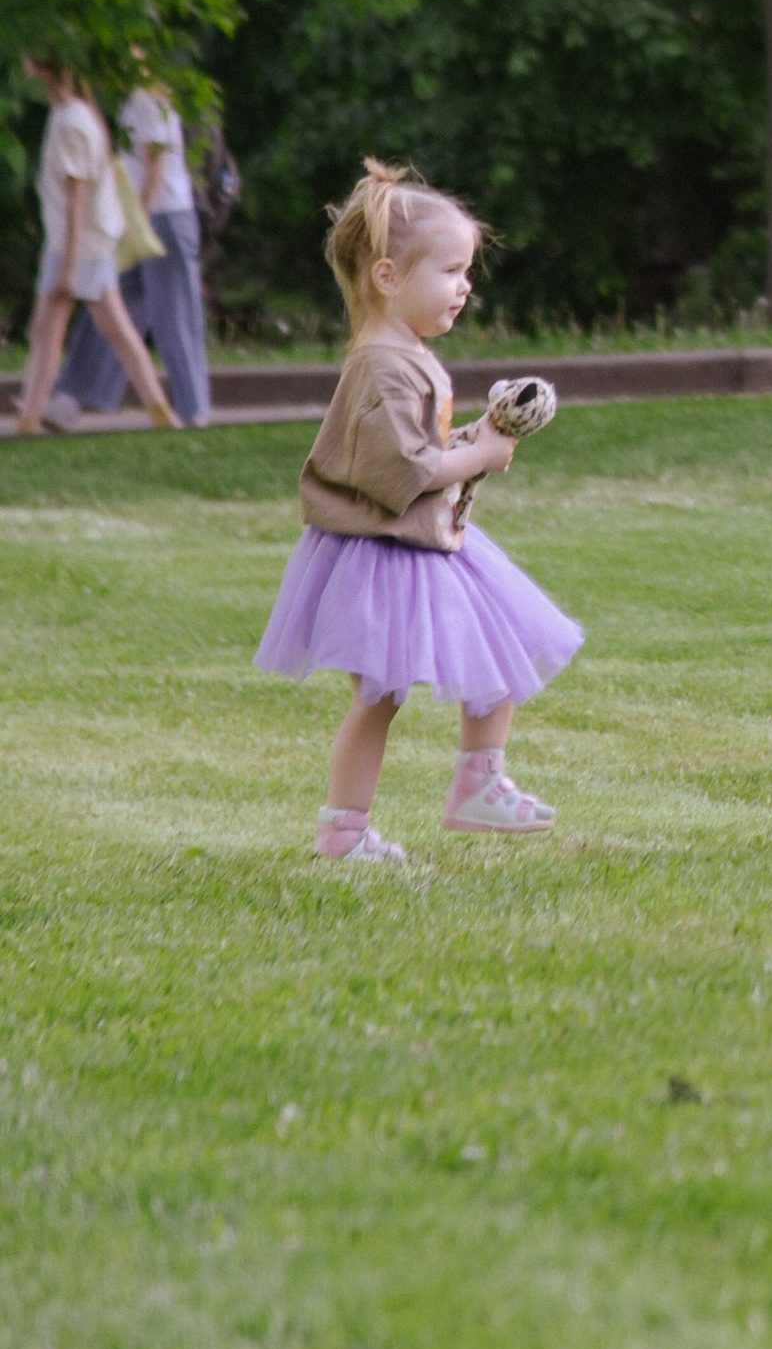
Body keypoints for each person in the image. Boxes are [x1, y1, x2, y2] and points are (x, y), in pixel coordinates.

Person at [253, 160, 582, 862]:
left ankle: (476, 785)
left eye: (467, 271)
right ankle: (347, 831)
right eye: (451, 270)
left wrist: (468, 439)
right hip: (383, 551)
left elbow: (415, 451)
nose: (464, 286)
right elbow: (402, 472)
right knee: (380, 695)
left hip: (420, 538)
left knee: (502, 640)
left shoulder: (405, 354)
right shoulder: (381, 364)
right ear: (387, 276)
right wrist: (480, 455)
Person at [12, 55, 176, 435]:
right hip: (87, 242)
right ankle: (157, 407)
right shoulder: (78, 116)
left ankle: (29, 416)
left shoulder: (72, 121)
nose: (25, 74)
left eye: (31, 66)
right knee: (106, 328)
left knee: (48, 328)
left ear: (48, 72)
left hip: (77, 245)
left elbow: (76, 198)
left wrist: (67, 265)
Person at [55, 62, 214, 426]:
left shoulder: (147, 101)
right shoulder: (133, 102)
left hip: (162, 219)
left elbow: (154, 167)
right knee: (111, 306)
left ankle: (194, 410)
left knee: (173, 316)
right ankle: (71, 399)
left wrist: (134, 222)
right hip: (145, 220)